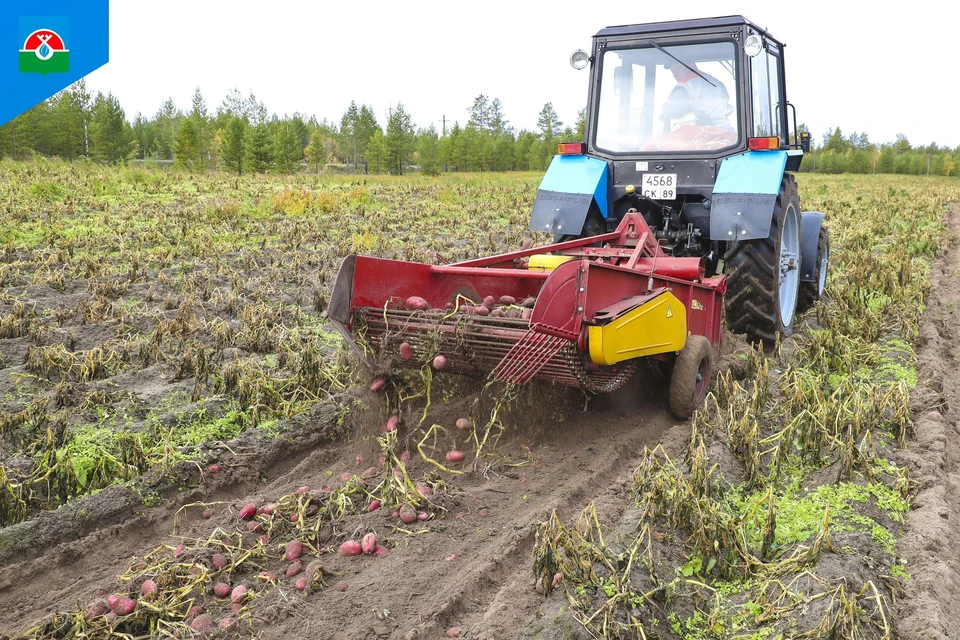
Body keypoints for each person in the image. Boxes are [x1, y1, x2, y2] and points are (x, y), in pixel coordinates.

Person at [661, 61, 732, 131]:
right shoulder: (717, 84)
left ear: (690, 66)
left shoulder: (685, 86)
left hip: (702, 136)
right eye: (672, 71)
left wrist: (665, 107)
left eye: (677, 68)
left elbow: (674, 111)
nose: (674, 75)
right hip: (725, 132)